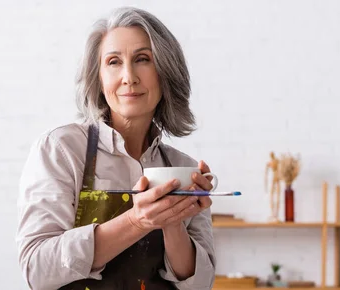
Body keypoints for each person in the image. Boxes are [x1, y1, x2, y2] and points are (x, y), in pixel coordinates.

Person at [15, 6, 216, 290]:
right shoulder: (61, 150)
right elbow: (37, 269)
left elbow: (200, 285)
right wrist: (137, 221)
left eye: (143, 59)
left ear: (166, 72)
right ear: (98, 77)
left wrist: (173, 219)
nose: (129, 77)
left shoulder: (183, 168)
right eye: (113, 62)